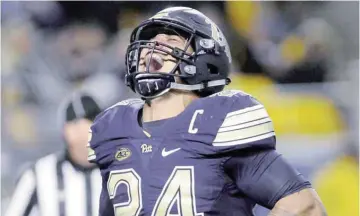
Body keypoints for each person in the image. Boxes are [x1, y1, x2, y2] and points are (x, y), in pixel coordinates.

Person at [88, 7, 327, 216]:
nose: (153, 47)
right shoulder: (114, 129)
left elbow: (304, 207)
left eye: (170, 40)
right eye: (149, 42)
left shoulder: (218, 122)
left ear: (203, 60)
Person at [6, 93, 102, 216]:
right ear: (67, 130)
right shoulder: (38, 174)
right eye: (89, 120)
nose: (95, 128)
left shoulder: (122, 169)